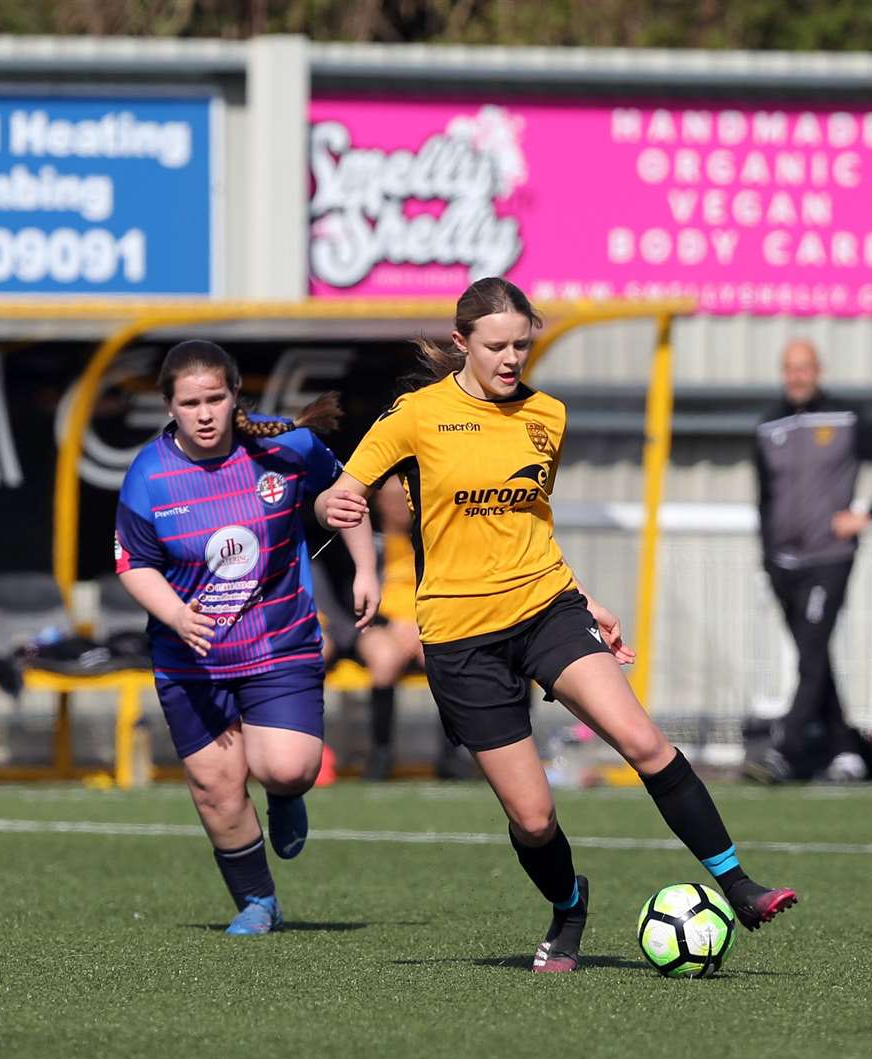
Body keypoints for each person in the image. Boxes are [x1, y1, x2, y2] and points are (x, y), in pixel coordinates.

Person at [316, 277, 798, 972]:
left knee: (643, 739)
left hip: (546, 607)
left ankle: (739, 886)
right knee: (534, 818)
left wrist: (584, 597)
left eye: (522, 344)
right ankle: (569, 906)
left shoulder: (549, 415)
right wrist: (350, 538)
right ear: (462, 344)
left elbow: (528, 525)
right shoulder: (416, 416)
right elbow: (346, 490)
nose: (512, 358)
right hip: (459, 634)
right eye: (496, 346)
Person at [115, 340, 379, 935]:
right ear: (169, 406)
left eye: (215, 398)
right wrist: (178, 616)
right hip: (192, 662)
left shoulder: (287, 448)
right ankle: (258, 902)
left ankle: (286, 796)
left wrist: (366, 569)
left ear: (236, 397)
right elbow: (134, 562)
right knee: (216, 788)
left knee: (286, 769)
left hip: (278, 644)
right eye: (190, 403)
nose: (204, 413)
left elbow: (346, 498)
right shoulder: (149, 477)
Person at [748, 339, 872, 784]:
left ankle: (783, 751)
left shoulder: (848, 418)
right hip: (783, 564)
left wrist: (867, 516)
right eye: (789, 369)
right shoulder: (769, 425)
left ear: (817, 370)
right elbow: (764, 499)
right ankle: (846, 752)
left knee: (810, 654)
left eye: (803, 368)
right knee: (815, 654)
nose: (796, 377)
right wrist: (767, 555)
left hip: (830, 558)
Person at [356, 478, 425, 781]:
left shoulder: (428, 538)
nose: (400, 506)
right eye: (393, 499)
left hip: (427, 624)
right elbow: (352, 594)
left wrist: (420, 624)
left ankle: (455, 755)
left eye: (405, 499)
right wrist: (391, 624)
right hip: (379, 625)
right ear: (379, 502)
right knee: (385, 659)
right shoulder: (368, 542)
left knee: (441, 656)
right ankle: (380, 754)